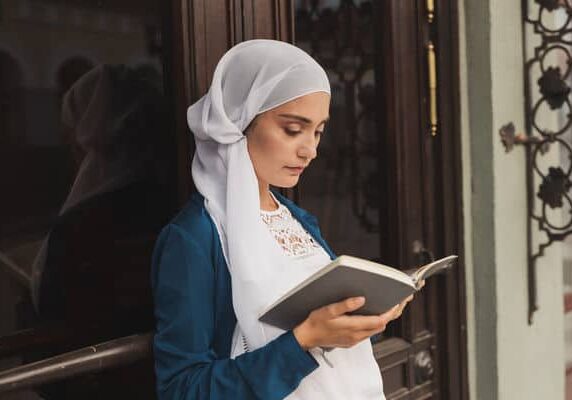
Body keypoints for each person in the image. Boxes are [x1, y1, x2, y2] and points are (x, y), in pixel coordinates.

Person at [151, 39, 414, 400]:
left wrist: (366, 314)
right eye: (293, 129)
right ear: (239, 123)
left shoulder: (299, 222)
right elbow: (182, 389)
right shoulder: (195, 237)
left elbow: (325, 339)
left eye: (318, 131)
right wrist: (304, 341)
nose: (311, 150)